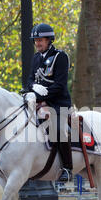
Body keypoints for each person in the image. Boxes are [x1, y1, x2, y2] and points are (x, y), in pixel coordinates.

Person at [23, 23, 72, 182]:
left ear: (49, 40)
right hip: (38, 101)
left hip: (58, 102)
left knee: (57, 129)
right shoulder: (36, 57)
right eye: (35, 40)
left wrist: (41, 95)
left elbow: (60, 85)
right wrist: (33, 88)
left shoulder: (60, 56)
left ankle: (67, 167)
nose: (37, 43)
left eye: (41, 40)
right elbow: (30, 79)